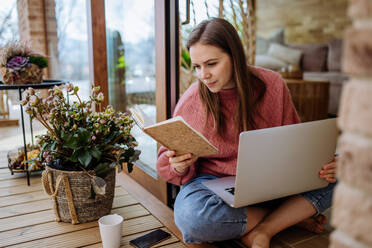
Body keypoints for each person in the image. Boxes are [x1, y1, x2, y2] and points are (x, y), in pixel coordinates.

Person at [156, 18, 337, 248]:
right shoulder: (194, 99)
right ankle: (287, 218)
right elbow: (165, 163)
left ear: (235, 56)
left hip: (270, 180)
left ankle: (263, 229)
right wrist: (179, 166)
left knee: (342, 171)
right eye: (197, 66)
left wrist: (328, 163)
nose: (203, 75)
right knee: (191, 217)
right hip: (213, 183)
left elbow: (295, 141)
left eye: (211, 64)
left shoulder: (272, 84)